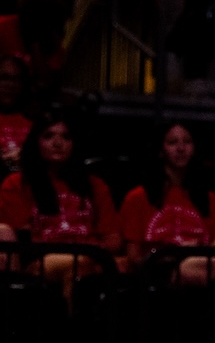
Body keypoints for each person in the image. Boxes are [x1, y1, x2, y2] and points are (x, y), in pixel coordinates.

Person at [118, 121, 215, 285]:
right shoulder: (138, 197)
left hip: (203, 260)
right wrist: (176, 250)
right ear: (160, 151)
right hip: (164, 267)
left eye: (187, 142)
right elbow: (134, 256)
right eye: (172, 142)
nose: (181, 148)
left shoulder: (208, 198)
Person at [0, 108, 123, 304]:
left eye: (66, 137)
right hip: (40, 262)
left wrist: (87, 251)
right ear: (35, 142)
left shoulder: (95, 186)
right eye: (48, 136)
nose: (58, 143)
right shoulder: (16, 184)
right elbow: (23, 241)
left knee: (96, 265)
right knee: (78, 264)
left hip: (91, 258)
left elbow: (114, 240)